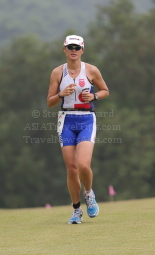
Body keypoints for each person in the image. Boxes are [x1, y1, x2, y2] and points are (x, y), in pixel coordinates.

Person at [47, 35, 109, 224]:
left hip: (86, 120)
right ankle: (76, 210)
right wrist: (60, 94)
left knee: (83, 165)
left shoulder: (91, 70)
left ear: (83, 50)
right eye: (70, 47)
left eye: (77, 47)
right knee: (72, 169)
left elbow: (105, 90)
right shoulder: (58, 73)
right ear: (64, 49)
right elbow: (50, 102)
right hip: (65, 119)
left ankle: (89, 193)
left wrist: (94, 97)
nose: (73, 50)